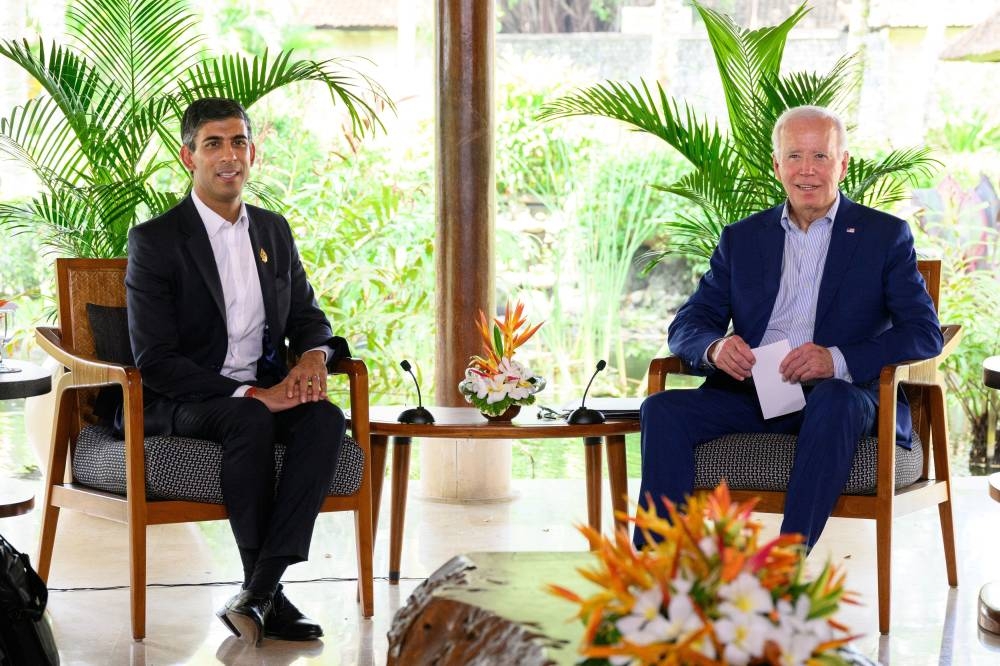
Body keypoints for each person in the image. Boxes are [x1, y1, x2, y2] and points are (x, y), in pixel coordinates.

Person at [634, 105, 943, 550]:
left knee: (833, 399)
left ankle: (786, 561)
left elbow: (924, 332)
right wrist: (715, 348)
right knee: (661, 409)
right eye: (795, 156)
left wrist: (835, 360)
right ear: (777, 165)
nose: (807, 170)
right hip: (754, 394)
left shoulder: (884, 236)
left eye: (820, 156)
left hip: (843, 397)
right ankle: (656, 563)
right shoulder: (742, 238)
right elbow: (690, 322)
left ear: (843, 164)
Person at [126, 97, 351, 645]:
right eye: (213, 144)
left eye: (238, 142)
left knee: (324, 418)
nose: (229, 156)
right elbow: (155, 359)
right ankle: (267, 593)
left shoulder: (272, 231)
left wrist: (314, 356)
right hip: (185, 399)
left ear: (253, 152)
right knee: (249, 417)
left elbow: (308, 317)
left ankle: (259, 591)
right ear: (189, 157)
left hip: (261, 390)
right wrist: (250, 394)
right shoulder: (156, 240)